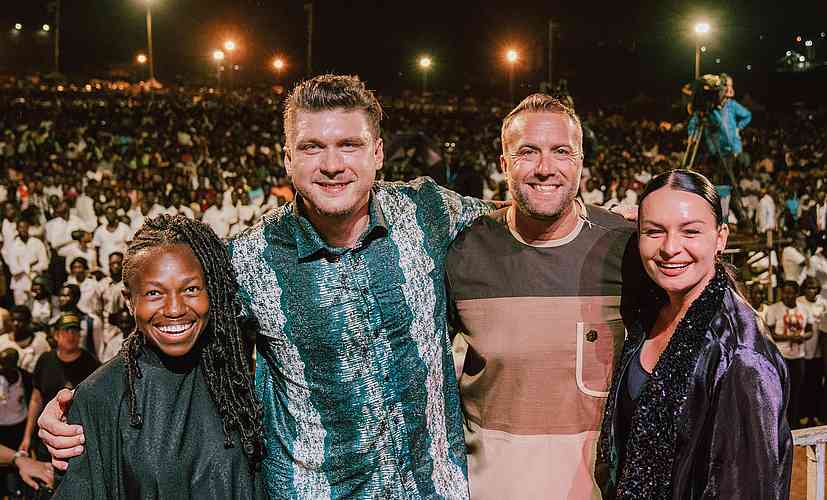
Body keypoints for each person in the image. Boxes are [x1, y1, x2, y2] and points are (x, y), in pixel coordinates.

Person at [445, 94, 639, 499]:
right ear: (503, 164)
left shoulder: (627, 249)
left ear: (581, 162)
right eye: (527, 153)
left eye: (561, 152)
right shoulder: (463, 251)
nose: (545, 169)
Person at [596, 169, 792, 499]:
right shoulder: (652, 310)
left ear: (721, 238)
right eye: (654, 232)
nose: (670, 248)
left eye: (690, 232)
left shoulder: (742, 358)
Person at [50, 215, 264, 499]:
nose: (175, 308)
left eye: (190, 289)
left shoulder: (235, 380)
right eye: (154, 293)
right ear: (129, 300)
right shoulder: (100, 397)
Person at [19, 312, 100, 460]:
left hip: (77, 442)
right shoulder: (45, 360)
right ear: (56, 335)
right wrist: (27, 436)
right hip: (46, 437)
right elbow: (36, 400)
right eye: (66, 330)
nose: (71, 335)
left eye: (75, 331)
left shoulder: (91, 363)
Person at [766, 281, 812, 428]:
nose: (787, 296)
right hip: (780, 357)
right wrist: (791, 338)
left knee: (796, 391)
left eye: (791, 293)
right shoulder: (774, 309)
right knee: (779, 392)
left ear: (796, 294)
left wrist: (803, 337)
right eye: (785, 292)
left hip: (799, 357)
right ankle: (779, 425)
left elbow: (810, 330)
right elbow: (770, 334)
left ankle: (794, 423)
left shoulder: (804, 309)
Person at [797, 277, 826, 426]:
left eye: (814, 288)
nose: (811, 291)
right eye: (808, 287)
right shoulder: (799, 302)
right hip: (802, 351)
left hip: (818, 352)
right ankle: (802, 413)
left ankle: (813, 414)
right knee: (803, 385)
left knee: (816, 384)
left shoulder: (823, 304)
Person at [1, 220, 48, 306]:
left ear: (28, 228)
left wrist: (29, 268)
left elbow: (44, 264)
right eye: (20, 227)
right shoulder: (13, 246)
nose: (23, 230)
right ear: (17, 229)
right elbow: (14, 270)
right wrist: (29, 265)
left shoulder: (37, 243)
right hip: (19, 284)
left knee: (37, 309)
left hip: (36, 283)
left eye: (25, 227)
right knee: (22, 309)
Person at [0, 306, 51, 374]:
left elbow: (46, 367)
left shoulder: (40, 342)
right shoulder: (2, 341)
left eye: (20, 320)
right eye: (13, 320)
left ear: (29, 321)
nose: (16, 323)